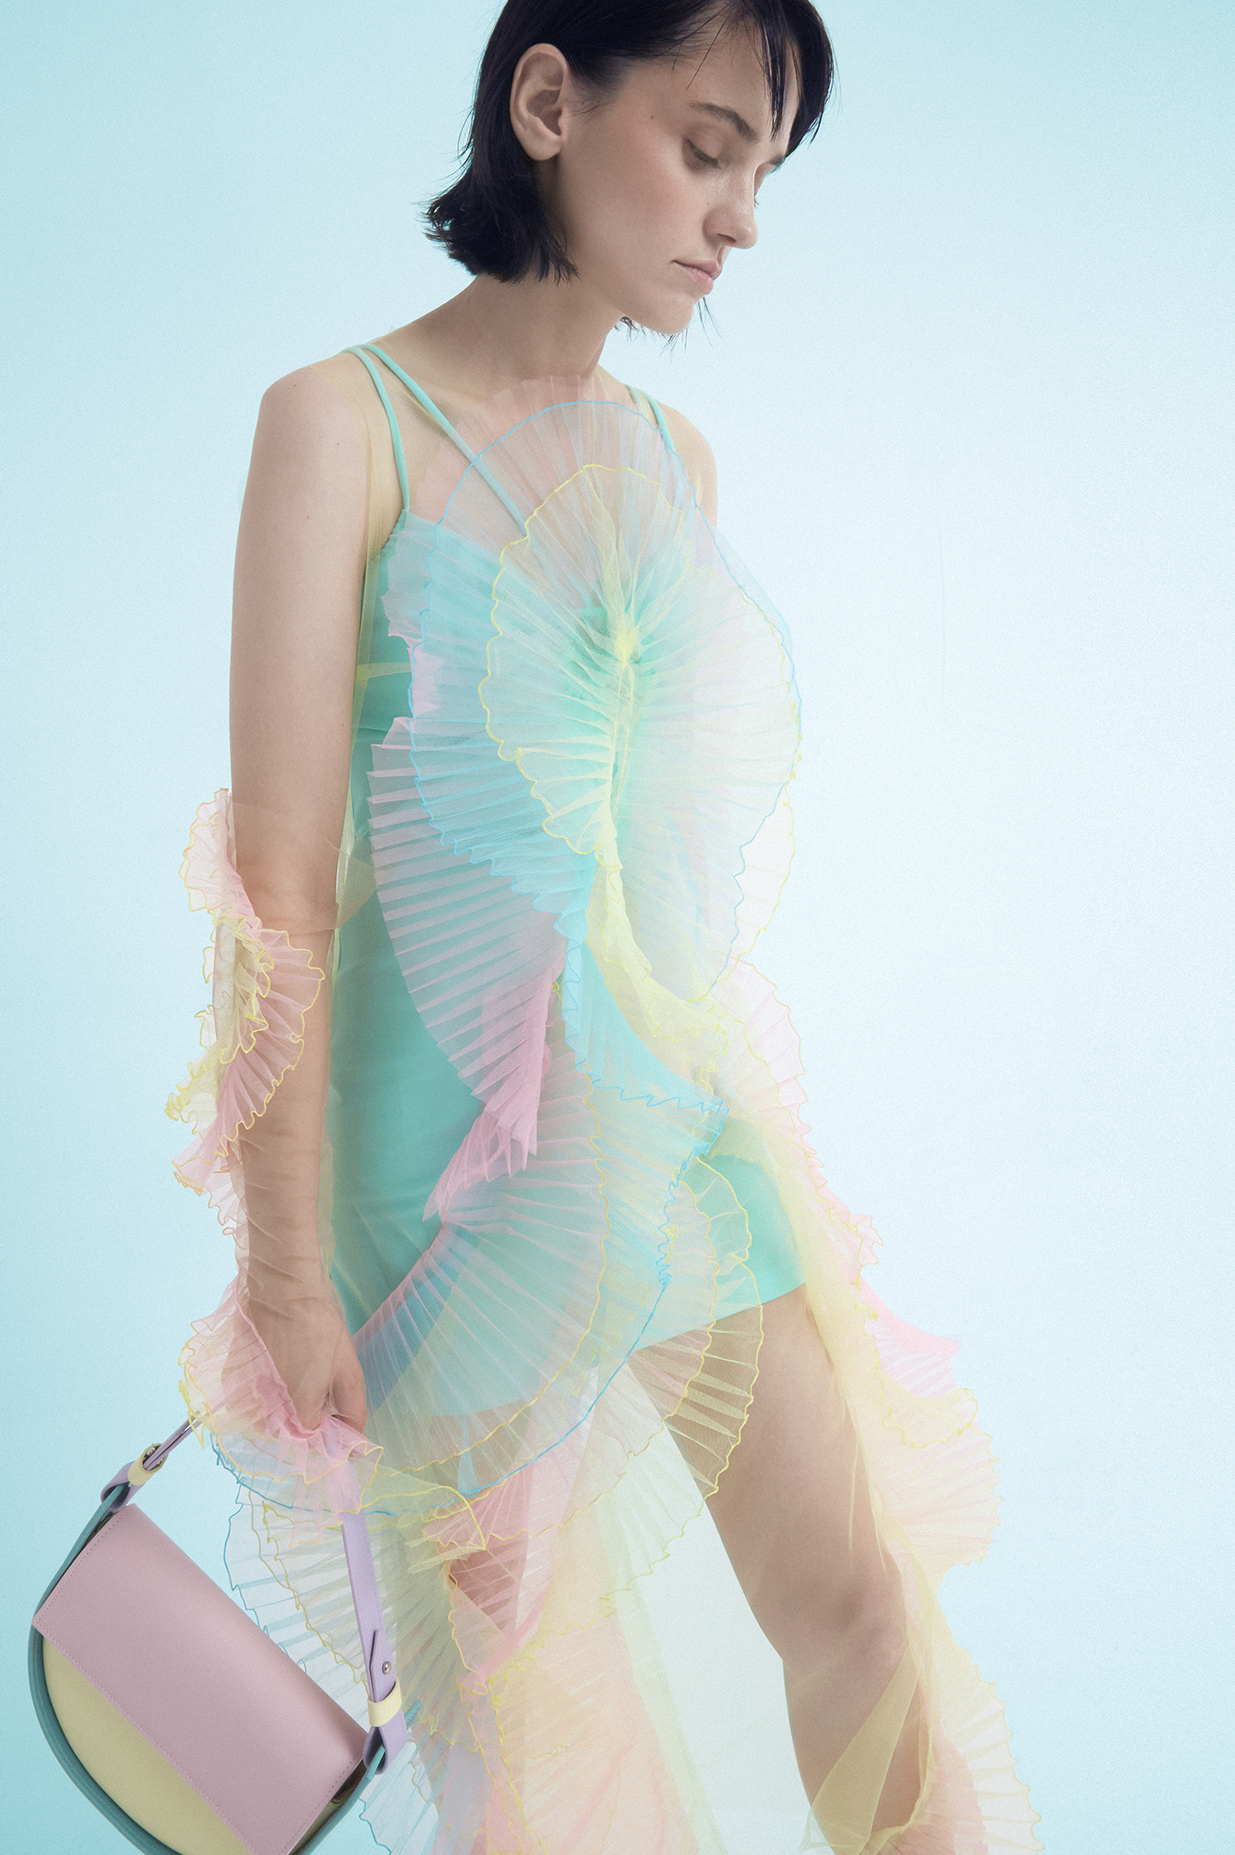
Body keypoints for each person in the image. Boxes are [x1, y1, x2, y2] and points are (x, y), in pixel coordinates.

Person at [167, 4, 1039, 1850]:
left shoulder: (672, 463)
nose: (740, 219)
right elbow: (282, 889)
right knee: (526, 1739)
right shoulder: (339, 424)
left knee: (857, 1599)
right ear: (550, 100)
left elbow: (652, 879)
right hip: (429, 1199)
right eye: (708, 147)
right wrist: (288, 1276)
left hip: (657, 1121)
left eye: (763, 173)